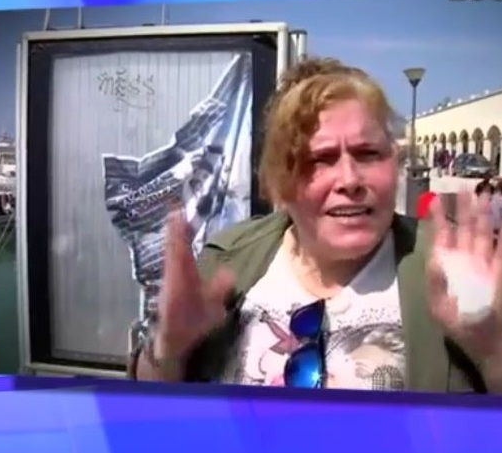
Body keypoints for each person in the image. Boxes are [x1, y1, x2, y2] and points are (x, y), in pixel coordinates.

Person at [128, 57, 502, 393]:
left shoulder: (461, 269)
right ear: (279, 181)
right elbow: (149, 403)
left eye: (368, 153)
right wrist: (168, 351)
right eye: (320, 159)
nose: (350, 180)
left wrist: (491, 349)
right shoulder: (228, 262)